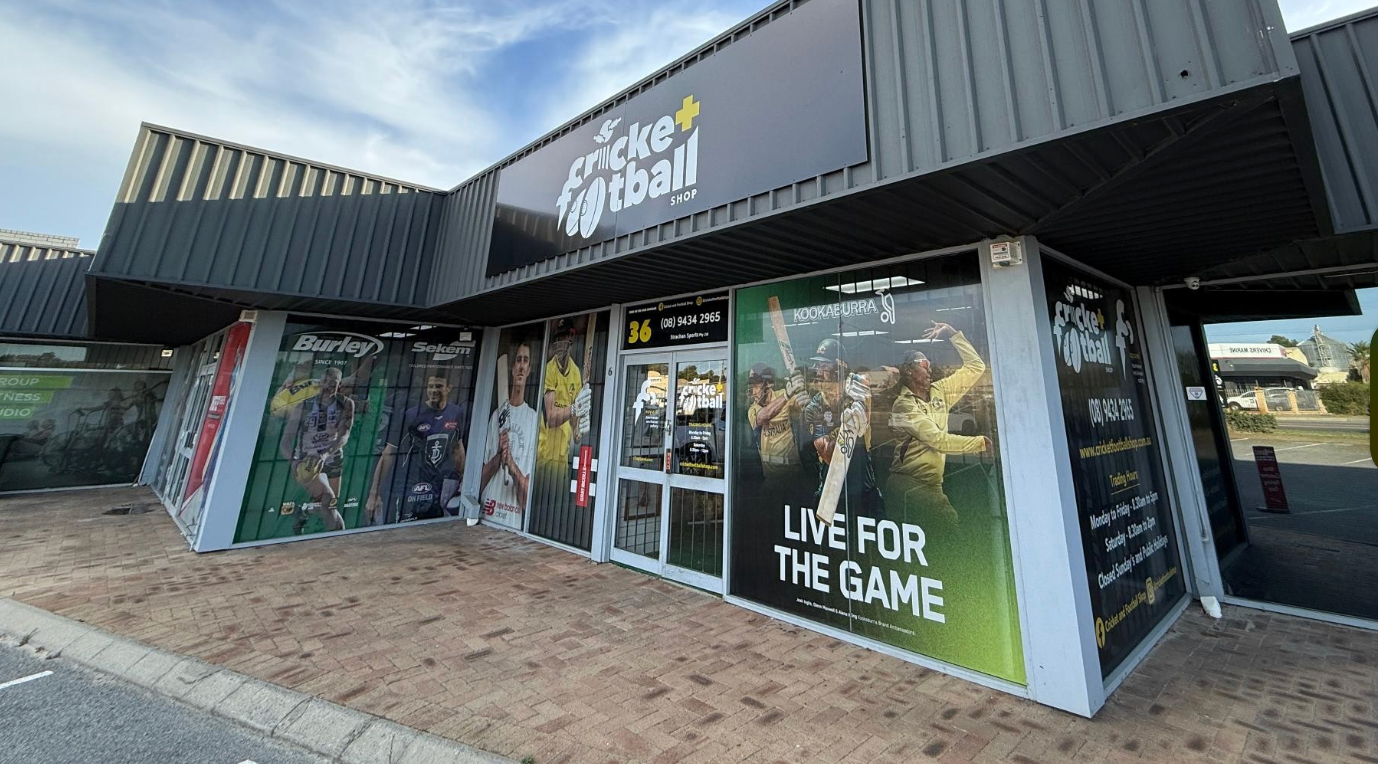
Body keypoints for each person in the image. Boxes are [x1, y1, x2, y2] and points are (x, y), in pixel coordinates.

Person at [885, 321, 992, 530]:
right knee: (948, 531)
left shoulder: (939, 390)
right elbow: (937, 440)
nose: (930, 368)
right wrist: (979, 443)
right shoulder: (903, 405)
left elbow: (975, 367)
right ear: (908, 370)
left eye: (929, 364)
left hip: (932, 486)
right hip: (908, 483)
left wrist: (953, 334)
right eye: (924, 364)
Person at [366, 374, 468, 525]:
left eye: (438, 386)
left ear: (449, 388)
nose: (433, 390)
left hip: (439, 485)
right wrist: (374, 493)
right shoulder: (411, 415)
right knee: (404, 529)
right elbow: (389, 453)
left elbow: (458, 447)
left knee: (436, 528)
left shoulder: (456, 413)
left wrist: (464, 480)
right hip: (410, 486)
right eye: (430, 386)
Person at [802, 338, 882, 518]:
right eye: (817, 365)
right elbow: (828, 455)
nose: (818, 371)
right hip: (832, 491)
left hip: (864, 488)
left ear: (839, 369)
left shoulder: (856, 392)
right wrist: (845, 425)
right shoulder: (814, 408)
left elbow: (888, 377)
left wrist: (864, 403)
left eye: (824, 366)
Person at [279, 365, 353, 533]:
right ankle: (340, 540)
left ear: (339, 385)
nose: (327, 387)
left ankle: (303, 511)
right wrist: (294, 461)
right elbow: (285, 441)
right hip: (308, 460)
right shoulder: (303, 406)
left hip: (333, 458)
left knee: (330, 505)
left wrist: (325, 454)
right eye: (324, 382)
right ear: (319, 382)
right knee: (328, 501)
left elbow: (344, 434)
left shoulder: (346, 404)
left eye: (332, 384)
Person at [480, 343, 537, 525]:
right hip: (487, 513)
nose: (521, 366)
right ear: (512, 368)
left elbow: (527, 501)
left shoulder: (533, 419)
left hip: (513, 522)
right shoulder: (496, 416)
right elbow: (478, 483)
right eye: (518, 360)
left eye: (525, 361)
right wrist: (499, 455)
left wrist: (511, 466)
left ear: (529, 370)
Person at [536, 317, 592, 471]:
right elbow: (551, 418)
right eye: (557, 338)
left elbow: (575, 427)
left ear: (571, 337)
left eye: (563, 337)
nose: (559, 342)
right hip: (544, 454)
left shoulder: (575, 373)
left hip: (562, 456)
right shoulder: (549, 369)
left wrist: (580, 428)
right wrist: (574, 408)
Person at [746, 363, 801, 482]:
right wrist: (786, 395)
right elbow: (765, 415)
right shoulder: (753, 409)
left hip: (793, 472)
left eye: (757, 387)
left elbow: (804, 408)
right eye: (752, 387)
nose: (754, 392)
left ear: (768, 384)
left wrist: (800, 388)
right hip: (771, 477)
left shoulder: (783, 395)